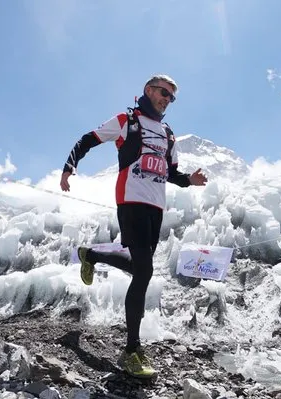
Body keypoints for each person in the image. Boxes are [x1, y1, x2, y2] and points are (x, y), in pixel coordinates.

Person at [60, 74, 207, 378]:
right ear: (148, 90)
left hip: (155, 208)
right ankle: (131, 350)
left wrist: (188, 181)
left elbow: (171, 172)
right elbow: (88, 139)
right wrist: (69, 167)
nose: (167, 99)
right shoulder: (128, 120)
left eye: (172, 97)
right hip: (131, 202)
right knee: (144, 271)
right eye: (164, 92)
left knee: (141, 268)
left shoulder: (168, 134)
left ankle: (92, 254)